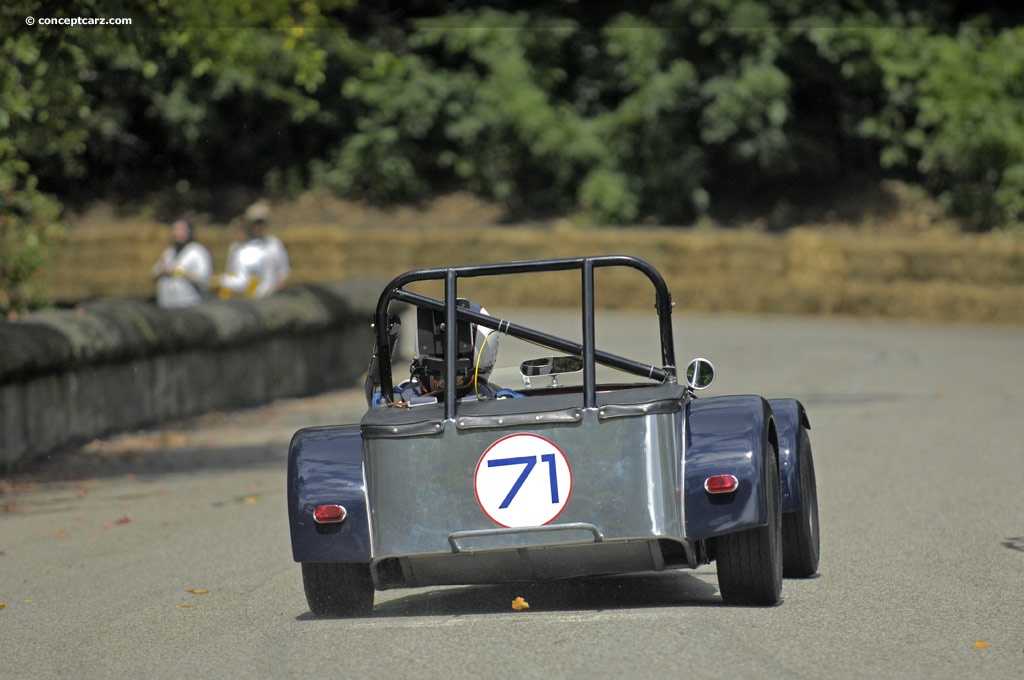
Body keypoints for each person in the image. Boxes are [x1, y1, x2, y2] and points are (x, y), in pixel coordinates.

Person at [150, 217, 213, 308]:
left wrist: (177, 271)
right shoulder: (169, 252)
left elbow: (204, 279)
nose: (176, 233)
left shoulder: (197, 252)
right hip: (166, 306)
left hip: (189, 306)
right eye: (174, 229)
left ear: (189, 232)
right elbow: (153, 273)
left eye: (181, 229)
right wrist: (162, 270)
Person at [217, 219, 272, 299]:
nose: (237, 235)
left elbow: (243, 281)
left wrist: (221, 281)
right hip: (236, 292)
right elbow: (230, 270)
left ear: (246, 233)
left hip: (253, 294)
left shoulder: (253, 251)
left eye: (239, 232)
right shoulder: (234, 248)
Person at [244, 200, 290, 292]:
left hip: (271, 297)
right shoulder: (244, 248)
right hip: (250, 298)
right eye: (256, 223)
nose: (259, 227)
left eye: (261, 223)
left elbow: (284, 271)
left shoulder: (275, 244)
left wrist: (277, 287)